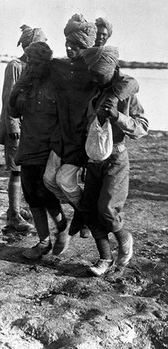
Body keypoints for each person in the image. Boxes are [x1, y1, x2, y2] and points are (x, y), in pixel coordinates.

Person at [43, 14, 139, 255]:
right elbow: (38, 67)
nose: (69, 47)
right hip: (64, 137)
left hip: (93, 145)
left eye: (75, 44)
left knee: (76, 188)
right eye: (67, 42)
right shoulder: (63, 66)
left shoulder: (100, 70)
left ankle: (92, 221)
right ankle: (83, 218)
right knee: (50, 181)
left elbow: (131, 82)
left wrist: (116, 105)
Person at [81, 45, 149, 276]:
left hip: (116, 158)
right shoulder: (93, 89)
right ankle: (105, 258)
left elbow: (142, 128)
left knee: (107, 209)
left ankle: (123, 237)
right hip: (93, 159)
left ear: (111, 70)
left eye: (98, 74)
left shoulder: (127, 94)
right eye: (91, 72)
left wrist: (118, 116)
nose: (93, 77)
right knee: (88, 209)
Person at [8, 41, 67, 260]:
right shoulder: (26, 82)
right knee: (31, 195)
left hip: (50, 147)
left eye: (36, 61)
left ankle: (62, 227)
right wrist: (17, 95)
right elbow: (12, 112)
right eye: (29, 61)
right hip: (29, 146)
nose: (32, 65)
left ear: (46, 61)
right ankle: (43, 242)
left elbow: (66, 116)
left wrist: (61, 147)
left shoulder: (57, 81)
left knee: (45, 193)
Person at [0, 25, 47, 232]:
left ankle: (20, 208)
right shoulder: (15, 66)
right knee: (16, 172)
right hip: (15, 128)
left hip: (32, 128)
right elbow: (9, 99)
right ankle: (13, 215)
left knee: (28, 170)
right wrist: (13, 126)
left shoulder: (37, 68)